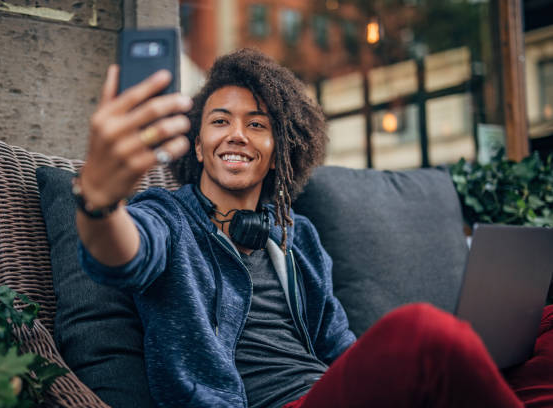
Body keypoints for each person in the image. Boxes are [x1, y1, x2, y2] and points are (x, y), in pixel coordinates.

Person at [75, 48, 553, 407]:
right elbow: (121, 253)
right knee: (420, 331)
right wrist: (98, 200)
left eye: (257, 124)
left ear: (279, 152)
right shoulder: (168, 218)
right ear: (197, 147)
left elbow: (339, 347)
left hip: (329, 394)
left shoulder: (295, 235)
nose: (237, 134)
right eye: (220, 121)